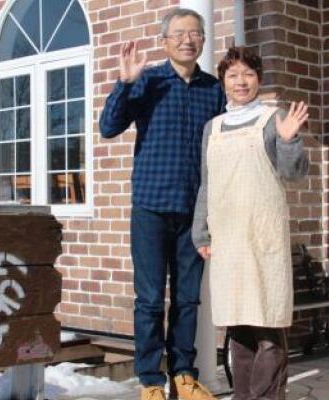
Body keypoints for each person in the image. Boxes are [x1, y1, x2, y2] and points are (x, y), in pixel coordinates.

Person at [99, 8, 225, 400]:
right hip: (151, 208)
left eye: (196, 33)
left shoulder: (213, 89)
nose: (189, 39)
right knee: (151, 300)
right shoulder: (148, 79)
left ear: (203, 40)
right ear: (165, 41)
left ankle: (184, 374)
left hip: (194, 213)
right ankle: (151, 380)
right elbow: (107, 128)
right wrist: (125, 83)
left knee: (188, 299)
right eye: (180, 33)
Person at [191, 47, 309, 400]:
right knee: (239, 326)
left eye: (248, 74)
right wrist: (201, 232)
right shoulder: (212, 127)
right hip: (228, 239)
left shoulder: (275, 118)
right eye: (232, 75)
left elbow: (294, 173)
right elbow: (207, 185)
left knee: (268, 325)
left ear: (258, 79)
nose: (241, 82)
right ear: (223, 82)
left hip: (263, 235)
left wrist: (288, 140)